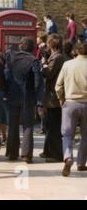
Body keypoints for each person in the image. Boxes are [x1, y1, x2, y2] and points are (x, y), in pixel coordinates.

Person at [5, 37, 42, 163]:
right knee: (28, 126)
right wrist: (38, 98)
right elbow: (37, 81)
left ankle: (12, 153)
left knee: (13, 124)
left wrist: (6, 91)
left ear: (21, 46)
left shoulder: (12, 57)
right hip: (28, 96)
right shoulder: (34, 61)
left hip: (13, 94)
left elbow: (7, 74)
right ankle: (26, 155)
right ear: (32, 48)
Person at [55, 42, 87, 177]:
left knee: (67, 134)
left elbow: (58, 85)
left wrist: (61, 98)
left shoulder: (67, 65)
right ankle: (81, 163)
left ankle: (68, 157)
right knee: (86, 136)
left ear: (76, 51)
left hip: (70, 103)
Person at [40, 34, 65, 163]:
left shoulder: (57, 58)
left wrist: (43, 64)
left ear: (51, 44)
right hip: (51, 97)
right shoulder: (55, 57)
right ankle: (48, 151)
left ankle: (56, 154)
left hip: (54, 98)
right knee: (49, 125)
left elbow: (48, 74)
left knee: (54, 126)